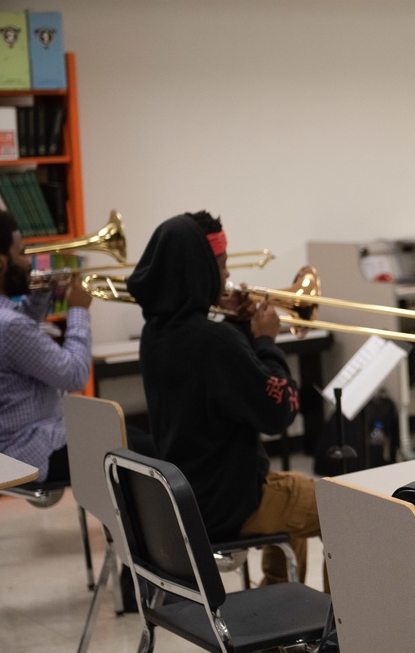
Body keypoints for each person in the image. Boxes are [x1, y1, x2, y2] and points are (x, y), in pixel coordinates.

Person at [126, 211, 321, 586]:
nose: (228, 276)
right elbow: (279, 412)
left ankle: (281, 615)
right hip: (231, 505)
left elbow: (221, 384)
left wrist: (238, 329)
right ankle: (341, 636)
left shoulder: (155, 335)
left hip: (190, 498)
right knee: (349, 511)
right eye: (220, 265)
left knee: (296, 493)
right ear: (198, 270)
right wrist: (265, 341)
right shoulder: (214, 342)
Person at [0, 210, 92, 483]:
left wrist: (40, 294)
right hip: (29, 449)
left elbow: (11, 342)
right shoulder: (7, 326)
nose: (29, 263)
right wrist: (78, 311)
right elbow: (76, 375)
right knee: (138, 449)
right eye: (21, 252)